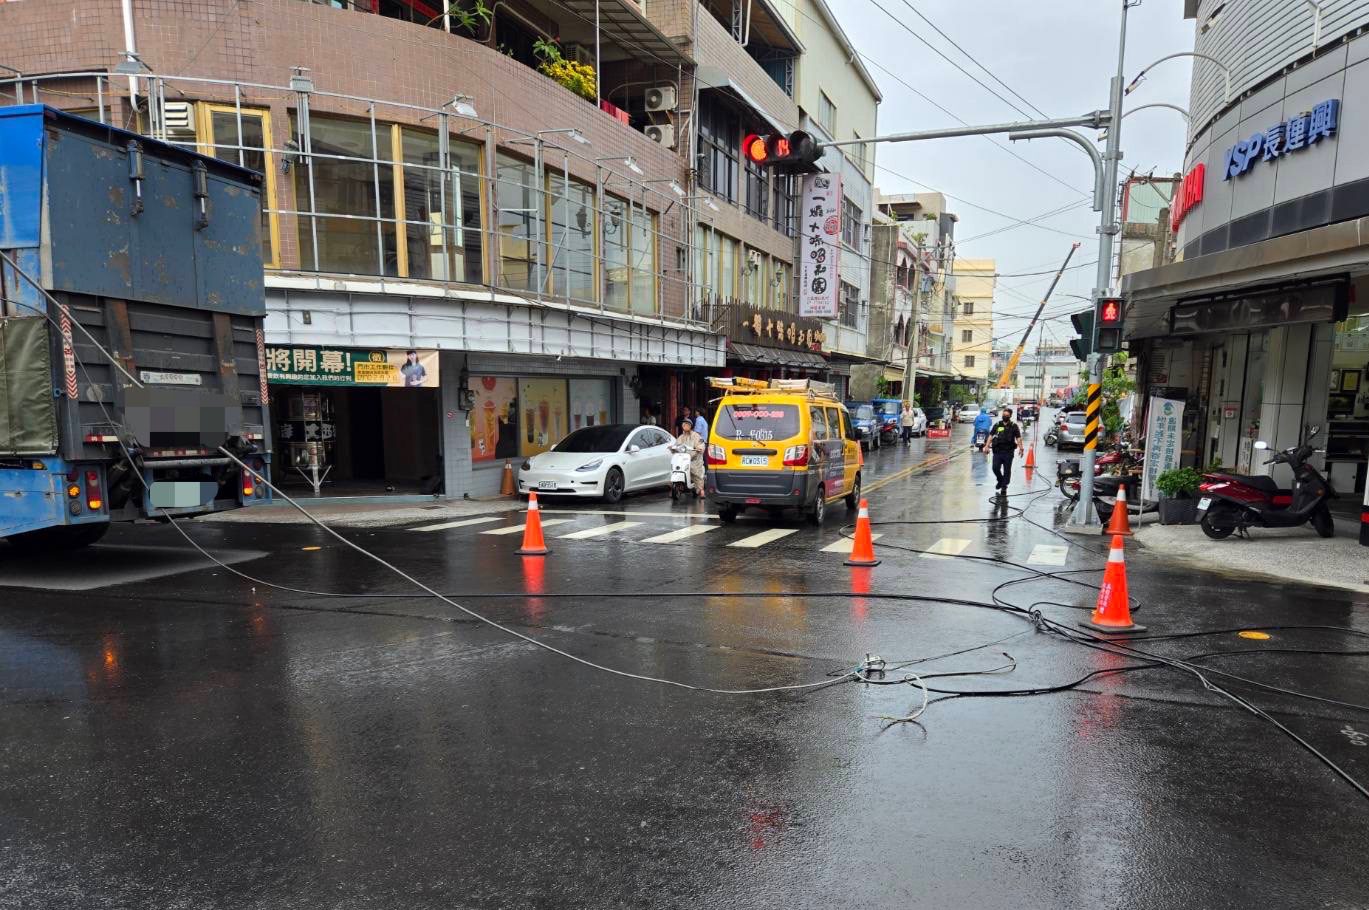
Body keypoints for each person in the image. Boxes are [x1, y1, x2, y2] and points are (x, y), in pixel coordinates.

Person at [988, 407, 1024, 496]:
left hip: (1008, 452)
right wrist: (986, 445)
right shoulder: (997, 425)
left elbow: (1018, 437)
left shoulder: (1014, 426)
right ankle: (1000, 480)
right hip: (997, 451)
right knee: (995, 468)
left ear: (1010, 416)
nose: (1005, 416)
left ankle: (1004, 487)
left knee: (1007, 471)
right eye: (1004, 415)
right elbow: (991, 435)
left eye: (1007, 415)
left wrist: (1021, 448)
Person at [675, 416, 706, 499]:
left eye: (687, 424)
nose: (685, 426)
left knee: (696, 472)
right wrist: (672, 448)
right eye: (684, 424)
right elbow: (676, 445)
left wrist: (699, 448)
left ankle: (701, 490)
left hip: (694, 459)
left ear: (691, 426)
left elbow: (701, 443)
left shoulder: (696, 435)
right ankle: (674, 487)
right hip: (683, 459)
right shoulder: (681, 437)